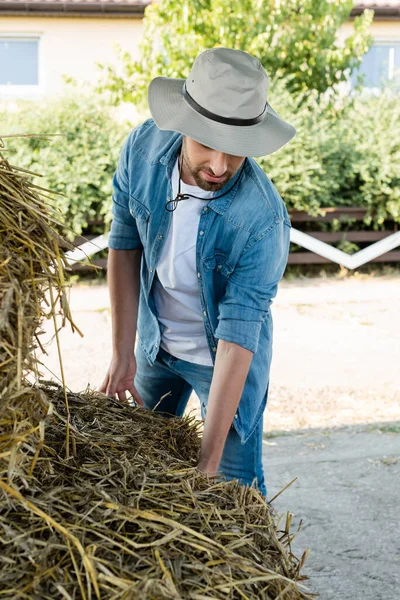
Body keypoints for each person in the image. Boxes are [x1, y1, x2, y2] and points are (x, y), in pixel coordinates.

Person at [99, 47, 296, 497]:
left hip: (222, 361)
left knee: (232, 495)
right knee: (139, 475)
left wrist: (207, 464)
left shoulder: (262, 220)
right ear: (184, 122)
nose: (219, 166)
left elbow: (237, 336)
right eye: (207, 142)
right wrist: (122, 352)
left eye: (235, 151)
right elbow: (125, 245)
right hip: (156, 344)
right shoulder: (142, 151)